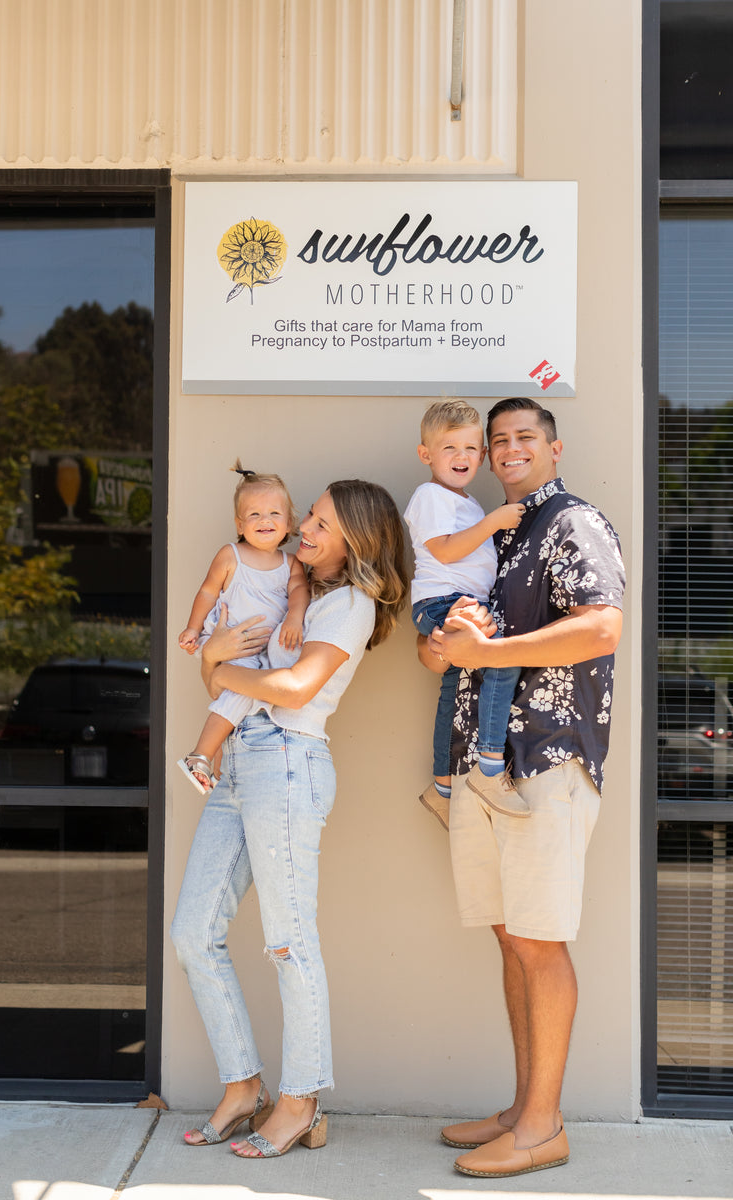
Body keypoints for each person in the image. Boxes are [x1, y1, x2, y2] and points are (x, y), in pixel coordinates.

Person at [171, 479, 408, 1160]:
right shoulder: (285, 591)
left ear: (354, 541)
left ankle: (300, 1101)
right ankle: (244, 1085)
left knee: (287, 942)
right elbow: (228, 689)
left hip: (288, 763)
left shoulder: (352, 606)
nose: (303, 526)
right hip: (240, 762)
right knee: (193, 933)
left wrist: (218, 660)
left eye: (321, 522)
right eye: (309, 514)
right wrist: (218, 663)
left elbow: (291, 688)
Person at [419, 397, 625, 1179]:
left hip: (546, 760)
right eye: (497, 439)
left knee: (540, 941)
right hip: (484, 763)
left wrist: (493, 656)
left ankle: (544, 1127)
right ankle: (520, 1109)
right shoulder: (496, 533)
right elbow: (445, 653)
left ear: (553, 447)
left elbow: (602, 627)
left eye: (523, 438)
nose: (507, 449)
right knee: (512, 937)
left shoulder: (572, 523)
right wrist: (445, 650)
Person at [404, 399, 527, 827]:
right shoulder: (432, 495)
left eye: (471, 449)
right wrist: (495, 522)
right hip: (442, 601)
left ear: (484, 456)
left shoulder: (464, 500)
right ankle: (491, 769)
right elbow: (446, 549)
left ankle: (441, 787)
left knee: (454, 692)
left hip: (453, 600)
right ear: (426, 455)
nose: (462, 457)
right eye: (450, 448)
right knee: (502, 658)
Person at [176, 462, 310, 793]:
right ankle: (200, 754)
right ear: (240, 524)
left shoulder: (290, 564)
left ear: (288, 523)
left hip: (257, 650)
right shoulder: (230, 555)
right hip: (228, 639)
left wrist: (294, 617)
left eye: (274, 514)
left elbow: (299, 593)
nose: (265, 521)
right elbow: (207, 591)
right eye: (254, 515)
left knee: (248, 698)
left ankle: (216, 762)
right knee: (240, 693)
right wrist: (193, 628)